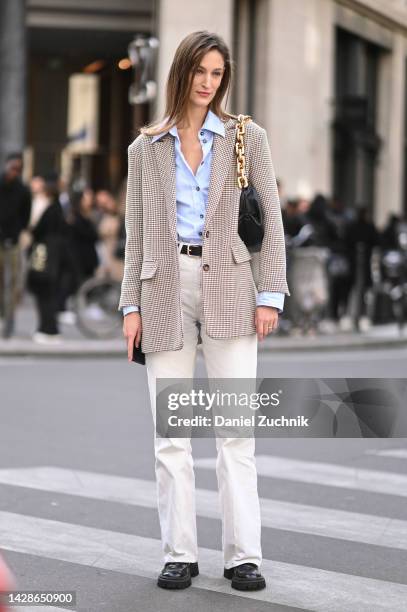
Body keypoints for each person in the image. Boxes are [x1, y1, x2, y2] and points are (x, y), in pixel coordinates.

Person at [119, 31, 290, 592]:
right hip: (165, 290)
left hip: (233, 289)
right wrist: (130, 307)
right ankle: (180, 552)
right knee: (173, 435)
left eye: (217, 74)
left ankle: (243, 555)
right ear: (182, 72)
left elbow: (270, 222)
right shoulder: (146, 148)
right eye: (200, 71)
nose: (208, 82)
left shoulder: (246, 138)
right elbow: (135, 237)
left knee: (235, 433)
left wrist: (271, 294)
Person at [26, 174, 68, 343]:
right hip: (53, 256)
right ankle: (50, 328)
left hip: (45, 255)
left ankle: (48, 329)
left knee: (44, 292)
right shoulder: (58, 209)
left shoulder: (50, 209)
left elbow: (37, 230)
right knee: (49, 292)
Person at [0, 152, 31, 332]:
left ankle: (9, 318)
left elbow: (25, 218)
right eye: (13, 168)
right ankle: (3, 312)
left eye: (18, 169)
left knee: (13, 281)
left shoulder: (23, 190)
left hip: (13, 241)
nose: (15, 172)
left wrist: (16, 231)